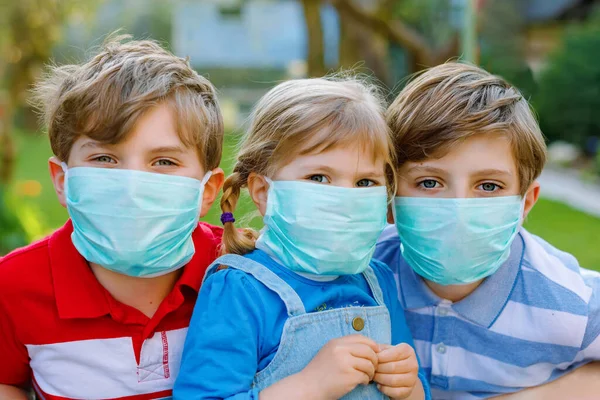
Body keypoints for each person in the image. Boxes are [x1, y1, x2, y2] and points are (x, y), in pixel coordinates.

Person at [174, 77, 430, 400]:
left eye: (365, 182)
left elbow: (418, 389)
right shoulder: (239, 291)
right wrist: (310, 385)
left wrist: (411, 387)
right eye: (319, 178)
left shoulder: (379, 282)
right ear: (264, 192)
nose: (345, 199)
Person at [0, 36, 225, 400]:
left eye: (164, 161)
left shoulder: (238, 271)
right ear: (63, 181)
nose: (132, 186)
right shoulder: (12, 286)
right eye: (105, 159)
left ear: (208, 190)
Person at [374, 62, 600, 399]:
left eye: (489, 186)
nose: (458, 208)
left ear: (525, 203)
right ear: (390, 195)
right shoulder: (362, 271)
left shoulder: (570, 300)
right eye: (430, 182)